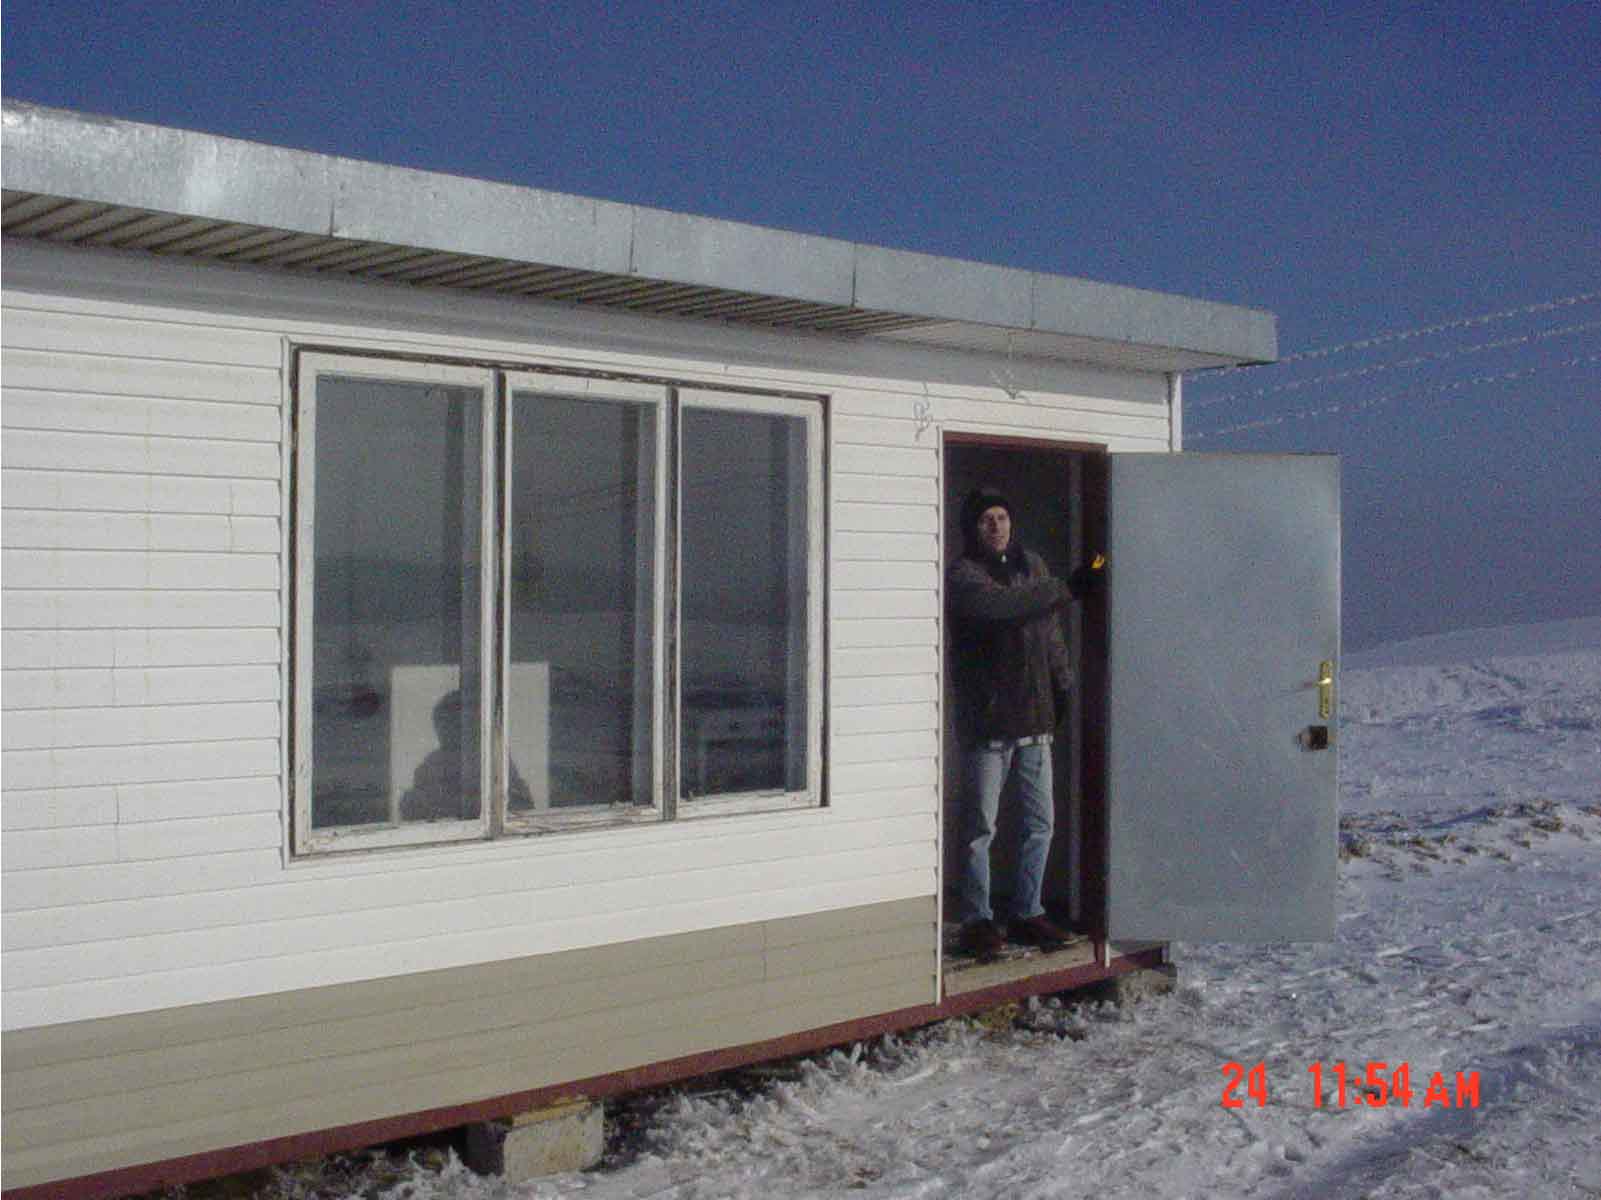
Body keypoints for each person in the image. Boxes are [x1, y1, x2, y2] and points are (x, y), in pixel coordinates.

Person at [946, 486, 1103, 958]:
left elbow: (1049, 633)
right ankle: (977, 919)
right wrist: (1066, 587)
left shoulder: (1032, 566)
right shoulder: (964, 575)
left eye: (1002, 517)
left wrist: (1063, 684)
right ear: (973, 528)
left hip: (1035, 720)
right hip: (989, 724)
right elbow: (1003, 607)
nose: (996, 526)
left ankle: (1027, 912)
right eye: (986, 520)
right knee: (981, 828)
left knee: (1040, 824)